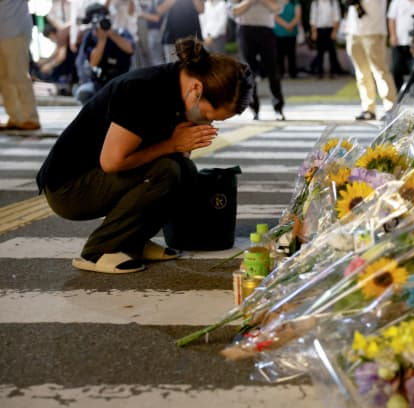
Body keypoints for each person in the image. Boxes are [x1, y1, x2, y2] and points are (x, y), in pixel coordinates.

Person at [36, 37, 254, 274]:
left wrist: (181, 145)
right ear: (197, 89)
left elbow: (175, 156)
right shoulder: (142, 90)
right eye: (209, 115)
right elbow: (112, 161)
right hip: (69, 188)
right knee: (166, 172)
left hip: (100, 176)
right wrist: (171, 144)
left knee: (184, 170)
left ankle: (133, 242)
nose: (208, 121)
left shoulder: (183, 94)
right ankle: (97, 251)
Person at [231, 0, 286, 121]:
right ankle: (253, 109)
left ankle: (278, 108)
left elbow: (278, 8)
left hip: (266, 30)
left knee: (273, 70)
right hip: (245, 29)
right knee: (248, 72)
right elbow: (233, 10)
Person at [345, 0, 397, 121]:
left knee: (380, 71)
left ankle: (390, 108)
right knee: (361, 72)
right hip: (354, 31)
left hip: (373, 30)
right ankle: (368, 108)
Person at [74, 3, 135, 104]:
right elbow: (93, 63)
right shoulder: (90, 36)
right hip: (99, 83)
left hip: (122, 81)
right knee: (84, 92)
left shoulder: (121, 32)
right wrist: (102, 40)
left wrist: (110, 34)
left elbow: (130, 49)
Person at [0, 0, 42, 131]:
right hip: (4, 30)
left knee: (18, 75)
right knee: (4, 78)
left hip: (14, 29)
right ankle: (16, 117)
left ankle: (30, 118)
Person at [387, 0, 414, 91]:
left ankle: (413, 91)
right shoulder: (397, 2)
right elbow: (392, 19)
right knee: (396, 69)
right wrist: (392, 35)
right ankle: (399, 93)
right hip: (399, 42)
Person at [308, 0, 342, 79]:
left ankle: (333, 72)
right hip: (319, 30)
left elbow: (336, 18)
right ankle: (320, 72)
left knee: (332, 53)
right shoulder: (315, 3)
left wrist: (334, 31)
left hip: (330, 29)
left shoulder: (333, 3)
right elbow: (313, 19)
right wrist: (314, 32)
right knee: (320, 53)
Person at [275, 0, 301, 78]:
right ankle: (280, 72)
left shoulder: (295, 2)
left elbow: (298, 16)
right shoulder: (276, 2)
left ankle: (292, 72)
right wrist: (286, 25)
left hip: (292, 32)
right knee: (279, 54)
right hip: (278, 31)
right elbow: (275, 16)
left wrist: (290, 25)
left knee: (291, 53)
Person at [138, 0, 165, 66]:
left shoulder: (159, 2)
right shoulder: (153, 2)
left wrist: (142, 15)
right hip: (153, 32)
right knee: (155, 58)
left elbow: (156, 18)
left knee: (157, 59)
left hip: (156, 32)